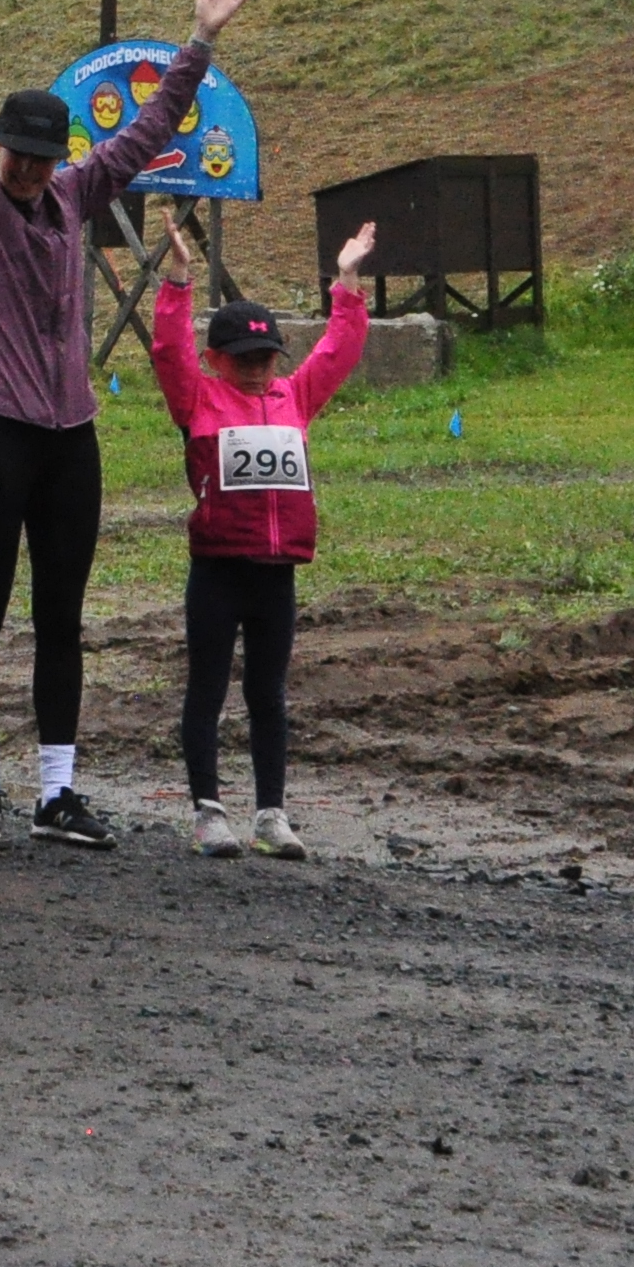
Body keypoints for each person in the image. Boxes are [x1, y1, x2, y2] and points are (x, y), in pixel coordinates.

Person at [0, 0, 256, 849]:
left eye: (40, 156)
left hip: (71, 435)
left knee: (62, 612)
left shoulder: (75, 194)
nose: (29, 170)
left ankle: (57, 790)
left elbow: (146, 133)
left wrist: (198, 43)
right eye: (17, 156)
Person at [147, 212, 374, 860]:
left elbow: (340, 348)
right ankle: (208, 813)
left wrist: (347, 280)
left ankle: (271, 816)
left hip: (277, 573)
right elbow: (167, 351)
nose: (256, 370)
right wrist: (179, 280)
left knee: (268, 695)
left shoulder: (296, 398)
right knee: (208, 690)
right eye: (243, 359)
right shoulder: (197, 401)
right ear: (216, 360)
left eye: (267, 357)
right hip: (218, 571)